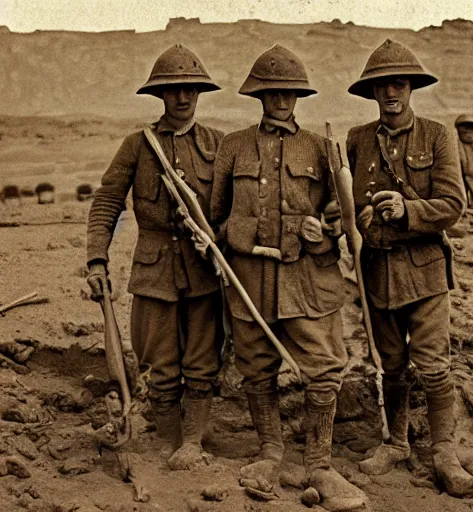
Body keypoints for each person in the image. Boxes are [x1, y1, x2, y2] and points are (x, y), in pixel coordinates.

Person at [211, 44, 368, 511]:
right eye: (272, 92)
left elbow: (343, 217)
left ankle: (319, 460)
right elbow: (215, 218)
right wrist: (230, 235)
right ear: (258, 95)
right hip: (251, 282)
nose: (281, 100)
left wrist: (324, 229)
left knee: (324, 370)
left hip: (309, 282)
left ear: (299, 96)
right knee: (256, 370)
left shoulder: (322, 147)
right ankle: (270, 452)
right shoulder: (232, 146)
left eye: (289, 92)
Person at [346, 39, 473, 498]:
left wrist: (408, 209)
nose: (390, 93)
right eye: (382, 86)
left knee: (435, 367)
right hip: (376, 272)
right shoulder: (356, 140)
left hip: (423, 272)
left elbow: (454, 205)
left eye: (398, 84)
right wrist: (358, 218)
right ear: (372, 92)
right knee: (391, 365)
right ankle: (397, 442)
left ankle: (444, 450)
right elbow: (346, 205)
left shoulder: (438, 135)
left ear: (411, 88)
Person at [86, 44, 224, 470]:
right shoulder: (137, 146)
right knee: (159, 363)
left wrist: (216, 242)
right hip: (153, 272)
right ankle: (168, 439)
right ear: (160, 96)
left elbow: (237, 207)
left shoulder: (218, 145)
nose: (183, 98)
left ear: (199, 94)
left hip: (203, 272)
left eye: (190, 90)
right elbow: (107, 201)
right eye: (173, 90)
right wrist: (96, 260)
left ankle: (194, 442)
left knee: (202, 362)